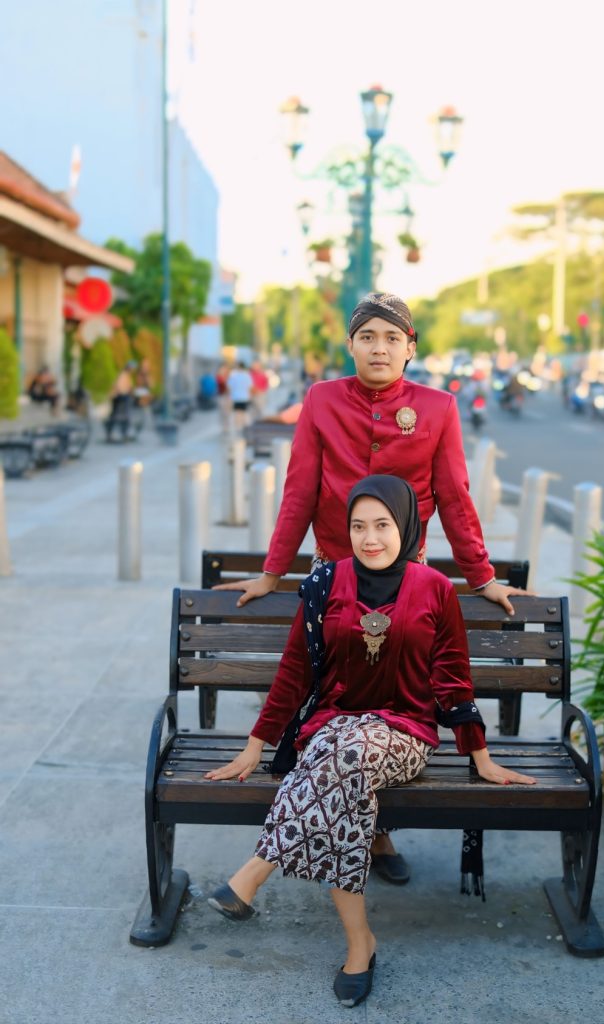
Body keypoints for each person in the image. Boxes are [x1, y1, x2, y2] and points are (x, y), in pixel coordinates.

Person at [215, 293, 528, 882]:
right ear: (351, 345)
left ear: (410, 348)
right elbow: (300, 490)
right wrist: (273, 572)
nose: (379, 348)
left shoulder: (437, 407)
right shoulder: (322, 399)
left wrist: (482, 576)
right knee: (338, 699)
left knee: (389, 701)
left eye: (391, 337)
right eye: (367, 336)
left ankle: (350, 839)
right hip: (334, 577)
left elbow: (455, 496)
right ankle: (366, 838)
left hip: (405, 582)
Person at [204, 476, 535, 1008]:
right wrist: (255, 743)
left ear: (405, 527)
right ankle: (360, 943)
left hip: (404, 732)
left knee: (343, 758)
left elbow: (453, 679)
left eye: (382, 525)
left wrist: (481, 755)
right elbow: (295, 669)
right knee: (343, 775)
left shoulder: (435, 589)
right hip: (333, 727)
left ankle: (256, 871)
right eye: (358, 526)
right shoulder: (324, 583)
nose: (370, 538)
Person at [226, 361, 254, 433]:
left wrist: (229, 396)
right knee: (245, 413)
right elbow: (250, 387)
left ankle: (239, 428)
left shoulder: (233, 376)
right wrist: (250, 396)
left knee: (238, 414)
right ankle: (246, 427)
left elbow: (229, 387)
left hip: (236, 397)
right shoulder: (247, 376)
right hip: (244, 397)